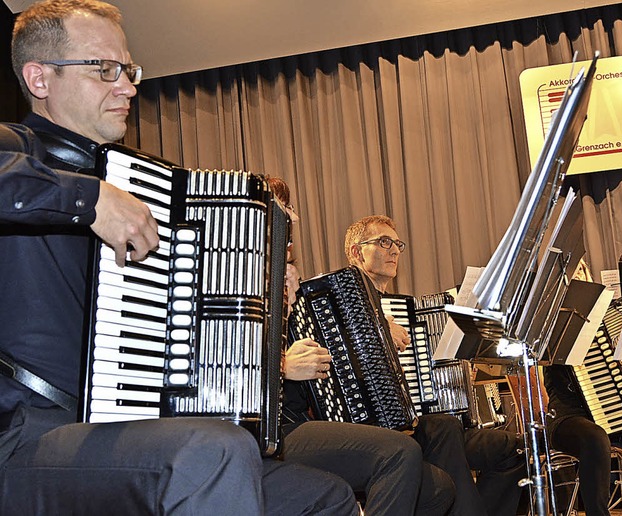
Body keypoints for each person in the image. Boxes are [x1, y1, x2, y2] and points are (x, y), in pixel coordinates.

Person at [0, 2, 358, 514]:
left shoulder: (148, 188)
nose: (127, 87)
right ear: (39, 78)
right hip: (27, 434)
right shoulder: (19, 147)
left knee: (323, 496)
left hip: (127, 435)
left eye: (129, 71)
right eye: (104, 69)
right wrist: (91, 199)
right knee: (211, 451)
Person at [266, 176, 456, 516]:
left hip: (302, 418)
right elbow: (223, 366)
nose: (294, 218)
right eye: (284, 208)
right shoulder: (247, 284)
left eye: (291, 208)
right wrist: (282, 367)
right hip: (276, 428)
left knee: (439, 488)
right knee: (400, 454)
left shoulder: (284, 281)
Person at [344, 214, 527, 516]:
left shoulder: (401, 308)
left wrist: (454, 366)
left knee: (514, 449)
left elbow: (422, 378)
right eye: (383, 242)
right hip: (383, 434)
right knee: (444, 427)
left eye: (397, 244)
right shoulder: (346, 304)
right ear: (356, 252)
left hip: (427, 427)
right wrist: (377, 327)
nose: (394, 251)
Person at [543, 257, 622, 515]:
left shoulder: (610, 314)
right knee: (595, 438)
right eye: (573, 272)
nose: (580, 275)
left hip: (616, 411)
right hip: (569, 416)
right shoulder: (552, 321)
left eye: (583, 269)